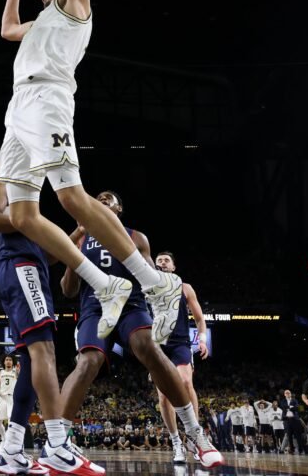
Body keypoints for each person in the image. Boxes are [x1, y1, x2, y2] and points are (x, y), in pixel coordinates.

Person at [0, 0, 181, 347]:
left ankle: (155, 283)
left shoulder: (76, 6)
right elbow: (8, 30)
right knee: (22, 215)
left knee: (70, 197)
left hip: (49, 100)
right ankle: (104, 283)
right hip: (19, 107)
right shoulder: (42, 21)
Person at [58, 192, 223, 467]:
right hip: (94, 308)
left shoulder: (136, 237)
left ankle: (195, 434)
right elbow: (67, 290)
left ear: (119, 208)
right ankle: (58, 441)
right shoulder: (80, 238)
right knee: (89, 362)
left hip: (131, 305)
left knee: (146, 345)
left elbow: (153, 282)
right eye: (97, 198)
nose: (102, 200)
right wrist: (74, 251)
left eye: (108, 198)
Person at [0, 162, 89, 475]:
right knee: (45, 351)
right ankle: (57, 443)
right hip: (22, 270)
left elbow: (51, 254)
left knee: (30, 358)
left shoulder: (26, 206)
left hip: (29, 269)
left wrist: (78, 231)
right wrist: (31, 222)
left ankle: (11, 449)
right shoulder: (3, 187)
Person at [152, 251, 211, 460]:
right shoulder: (148, 285)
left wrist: (202, 339)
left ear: (174, 267)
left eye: (166, 260)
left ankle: (194, 437)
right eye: (158, 260)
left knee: (186, 382)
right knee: (163, 394)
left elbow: (199, 318)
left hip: (180, 343)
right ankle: (176, 441)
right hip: (158, 345)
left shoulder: (185, 288)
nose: (162, 263)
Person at [0, 355, 18, 441]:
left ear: (13, 361)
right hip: (2, 398)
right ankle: (4, 437)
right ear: (4, 362)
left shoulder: (16, 372)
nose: (8, 361)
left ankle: (11, 440)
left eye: (10, 360)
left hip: (12, 398)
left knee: (11, 420)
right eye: (7, 360)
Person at [280, 389, 304, 454]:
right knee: (289, 436)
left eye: (289, 393)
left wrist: (289, 408)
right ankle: (292, 450)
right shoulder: (283, 401)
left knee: (298, 435)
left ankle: (300, 450)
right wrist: (291, 407)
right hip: (287, 420)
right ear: (284, 394)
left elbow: (297, 407)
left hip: (295, 419)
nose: (288, 394)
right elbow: (283, 407)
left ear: (290, 394)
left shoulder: (295, 400)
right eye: (286, 393)